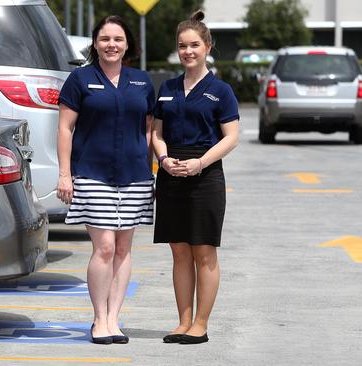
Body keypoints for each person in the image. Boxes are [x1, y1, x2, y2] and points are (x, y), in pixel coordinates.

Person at [56, 15, 155, 345]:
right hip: (91, 173)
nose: (111, 45)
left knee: (124, 249)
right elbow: (65, 129)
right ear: (94, 43)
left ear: (128, 44)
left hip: (135, 177)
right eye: (104, 39)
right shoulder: (80, 79)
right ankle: (99, 319)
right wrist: (65, 174)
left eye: (118, 39)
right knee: (105, 248)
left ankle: (115, 318)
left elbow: (150, 130)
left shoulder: (142, 82)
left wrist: (153, 172)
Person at [151, 10, 239, 345]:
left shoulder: (221, 90)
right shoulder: (168, 88)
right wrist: (162, 158)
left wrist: (200, 163)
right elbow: (156, 133)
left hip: (205, 177)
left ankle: (200, 325)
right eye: (182, 46)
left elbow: (231, 137)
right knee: (179, 251)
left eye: (194, 45)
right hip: (171, 175)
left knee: (204, 251)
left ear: (207, 46)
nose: (188, 51)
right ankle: (182, 322)